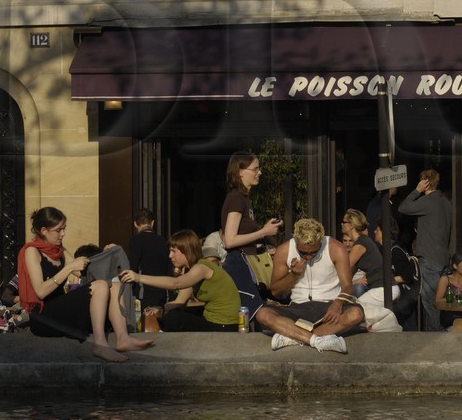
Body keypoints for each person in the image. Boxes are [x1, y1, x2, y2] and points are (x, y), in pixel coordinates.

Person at [17, 206, 152, 362]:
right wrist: (68, 268)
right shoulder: (32, 251)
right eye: (58, 230)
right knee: (100, 285)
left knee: (114, 285)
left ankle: (123, 338)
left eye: (64, 229)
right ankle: (100, 345)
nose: (63, 234)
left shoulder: (59, 250)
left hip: (61, 308)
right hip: (43, 316)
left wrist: (106, 255)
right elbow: (40, 291)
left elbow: (85, 271)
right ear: (44, 231)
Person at [253, 217, 365, 353]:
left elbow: (348, 286)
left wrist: (338, 303)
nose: (308, 257)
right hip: (298, 307)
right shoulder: (284, 251)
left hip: (328, 306)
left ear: (320, 242)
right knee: (263, 314)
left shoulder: (335, 248)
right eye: (303, 253)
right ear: (296, 241)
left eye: (314, 252)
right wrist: (293, 275)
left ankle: (295, 336)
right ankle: (315, 340)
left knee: (356, 314)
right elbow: (276, 292)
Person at [121, 229, 239, 332]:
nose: (170, 256)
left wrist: (138, 277)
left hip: (225, 325)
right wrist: (159, 309)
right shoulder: (191, 273)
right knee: (173, 315)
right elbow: (179, 301)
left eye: (173, 251)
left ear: (186, 250)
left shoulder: (201, 267)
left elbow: (175, 283)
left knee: (174, 319)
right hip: (212, 320)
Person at [218, 151, 283, 323]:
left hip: (247, 263)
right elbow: (229, 240)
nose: (259, 172)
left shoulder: (244, 199)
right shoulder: (236, 199)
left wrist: (261, 244)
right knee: (258, 313)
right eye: (255, 169)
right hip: (239, 265)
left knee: (258, 313)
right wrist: (263, 232)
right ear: (240, 172)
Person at [399, 169, 452, 331]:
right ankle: (440, 332)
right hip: (443, 258)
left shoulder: (428, 201)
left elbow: (403, 208)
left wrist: (417, 190)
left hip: (429, 259)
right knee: (440, 300)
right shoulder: (446, 202)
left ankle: (437, 337)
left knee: (430, 301)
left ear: (425, 183)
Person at [127, 208, 170, 332]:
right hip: (162, 291)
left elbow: (132, 267)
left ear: (135, 224)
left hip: (143, 293)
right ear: (152, 223)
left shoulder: (136, 240)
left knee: (143, 327)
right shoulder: (163, 241)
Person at [339, 209, 384, 297]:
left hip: (381, 289)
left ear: (351, 225)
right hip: (378, 288)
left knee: (358, 304)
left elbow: (345, 267)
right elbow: (350, 273)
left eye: (344, 222)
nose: (342, 224)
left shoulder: (360, 244)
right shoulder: (362, 241)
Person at [433, 251, 462, 329]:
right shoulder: (446, 279)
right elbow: (438, 300)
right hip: (451, 316)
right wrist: (456, 297)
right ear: (455, 266)